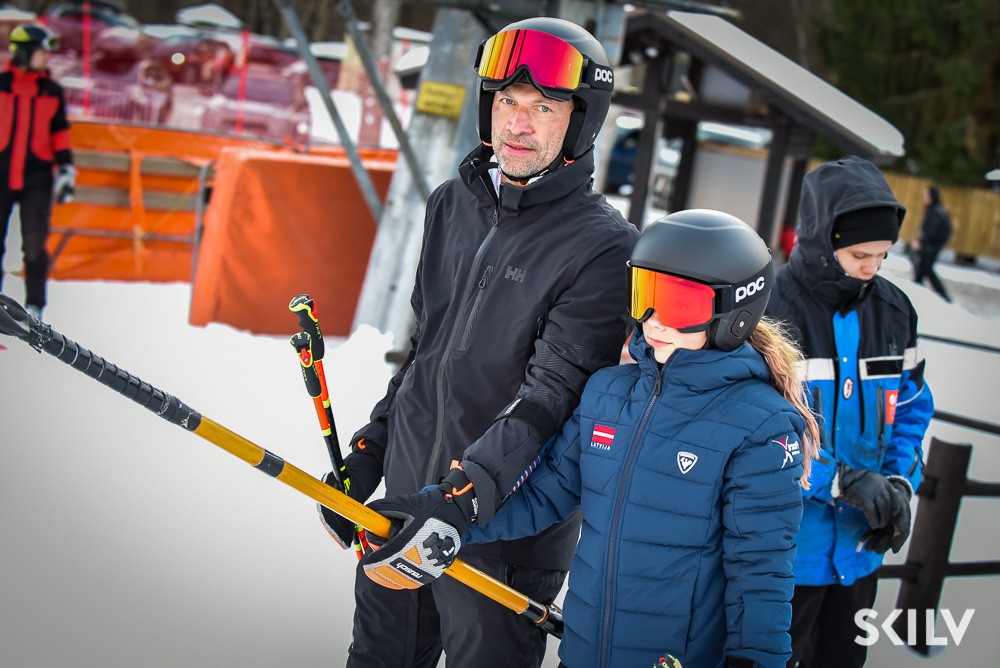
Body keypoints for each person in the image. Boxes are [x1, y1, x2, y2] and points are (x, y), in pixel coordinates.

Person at [363, 209, 821, 667]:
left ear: (734, 313)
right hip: (584, 654)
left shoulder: (760, 425)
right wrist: (449, 516)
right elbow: (544, 495)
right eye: (645, 296)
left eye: (680, 305)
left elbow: (761, 569)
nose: (654, 321)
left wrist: (755, 660)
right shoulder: (608, 393)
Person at [317, 17, 638, 667]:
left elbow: (552, 398)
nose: (517, 123)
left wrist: (457, 499)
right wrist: (374, 449)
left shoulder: (604, 248)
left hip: (502, 536)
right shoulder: (451, 206)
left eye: (543, 108)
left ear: (580, 123)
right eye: (507, 100)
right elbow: (425, 353)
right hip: (407, 506)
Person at [765, 156, 934, 668]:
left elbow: (911, 409)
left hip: (858, 554)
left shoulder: (895, 312)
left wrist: (897, 484)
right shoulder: (771, 310)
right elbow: (755, 430)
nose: (872, 268)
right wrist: (837, 480)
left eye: (883, 255)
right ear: (822, 241)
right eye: (860, 254)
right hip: (782, 558)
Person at [0, 24, 75, 321]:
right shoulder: (1, 84)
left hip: (37, 179)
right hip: (1, 174)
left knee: (33, 245)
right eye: (42, 52)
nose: (46, 58)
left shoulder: (51, 91)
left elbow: (60, 133)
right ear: (24, 52)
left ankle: (35, 308)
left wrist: (66, 169)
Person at [912, 184, 953, 302]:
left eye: (926, 195)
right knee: (922, 269)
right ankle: (915, 290)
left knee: (926, 269)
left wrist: (922, 242)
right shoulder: (935, 209)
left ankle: (944, 296)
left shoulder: (936, 212)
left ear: (931, 197)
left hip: (931, 246)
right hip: (930, 246)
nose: (924, 198)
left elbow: (931, 231)